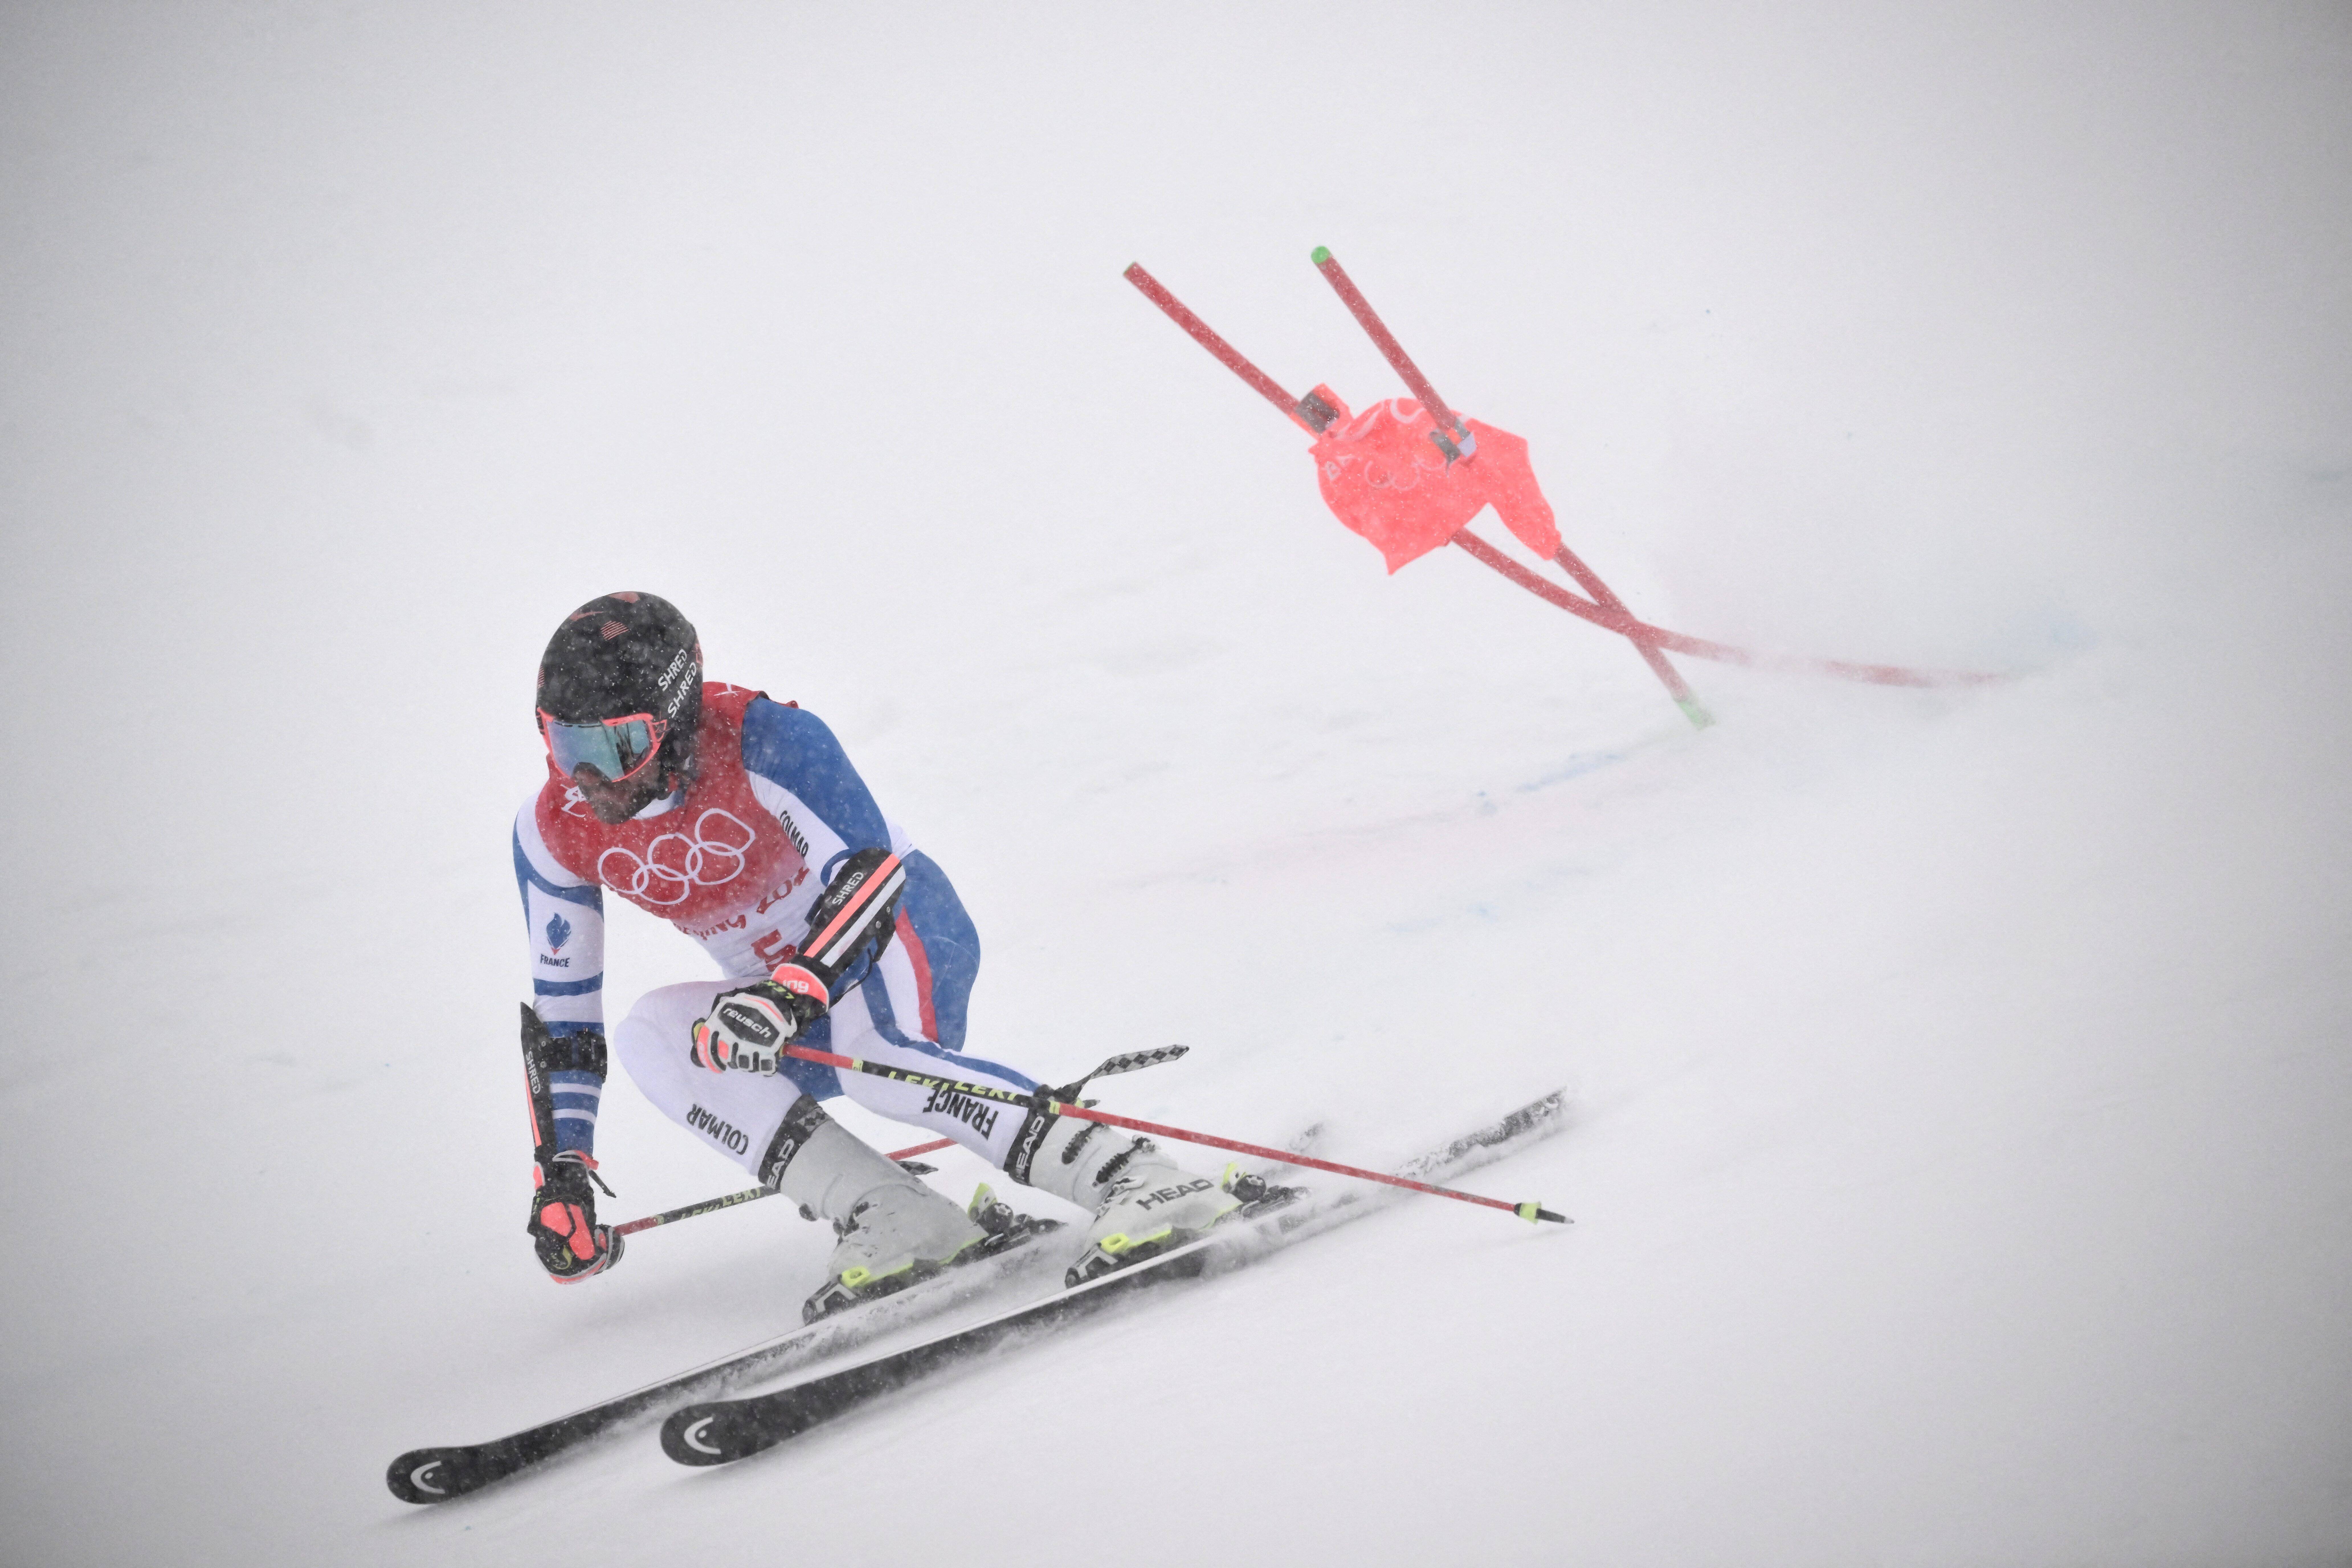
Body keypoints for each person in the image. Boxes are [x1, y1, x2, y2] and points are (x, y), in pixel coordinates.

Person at [512, 591, 1240, 1318]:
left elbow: (868, 877)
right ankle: (896, 1215)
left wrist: (791, 993)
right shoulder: (552, 831)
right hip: (783, 1002)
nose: (589, 779)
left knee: (878, 1060)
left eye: (616, 748)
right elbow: (565, 1016)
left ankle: (1138, 1176)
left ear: (672, 720)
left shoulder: (764, 738)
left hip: (898, 929)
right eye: (564, 745)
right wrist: (566, 1167)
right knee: (654, 1036)